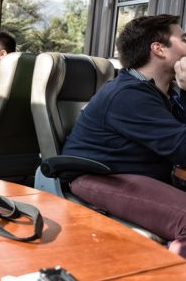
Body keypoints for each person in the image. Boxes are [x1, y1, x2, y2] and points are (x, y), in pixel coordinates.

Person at [61, 14, 186, 258]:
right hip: (99, 175)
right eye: (183, 39)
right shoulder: (127, 94)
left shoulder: (161, 94)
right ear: (158, 49)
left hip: (136, 173)